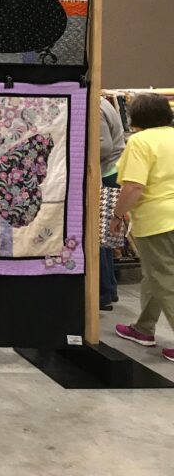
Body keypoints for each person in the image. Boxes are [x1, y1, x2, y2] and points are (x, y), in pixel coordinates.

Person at [112, 93, 174, 362]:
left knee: (164, 279)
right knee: (155, 275)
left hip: (156, 219)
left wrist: (117, 214)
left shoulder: (140, 141)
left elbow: (134, 186)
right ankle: (143, 328)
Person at [100, 97, 126, 310]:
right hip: (112, 171)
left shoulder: (96, 107)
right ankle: (109, 290)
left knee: (99, 237)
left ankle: (104, 292)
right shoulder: (103, 103)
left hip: (106, 173)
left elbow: (104, 147)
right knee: (105, 236)